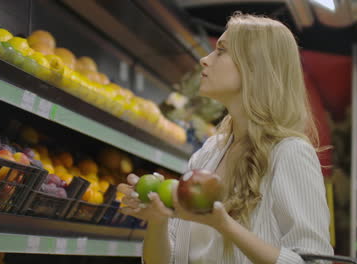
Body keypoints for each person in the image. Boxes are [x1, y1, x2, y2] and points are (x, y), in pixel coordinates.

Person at [118, 12, 334, 264]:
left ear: (255, 66)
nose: (204, 60)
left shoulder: (289, 153)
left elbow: (314, 262)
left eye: (221, 51)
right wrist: (158, 220)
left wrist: (224, 225)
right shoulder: (208, 153)